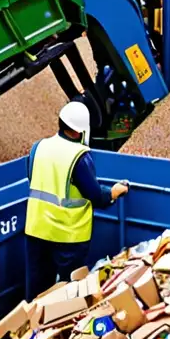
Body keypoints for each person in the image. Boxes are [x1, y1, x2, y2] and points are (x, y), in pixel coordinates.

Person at [24, 101, 128, 295]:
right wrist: (115, 191)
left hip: (37, 229)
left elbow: (35, 179)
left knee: (37, 291)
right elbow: (96, 196)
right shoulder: (79, 156)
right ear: (81, 130)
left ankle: (33, 324)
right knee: (67, 292)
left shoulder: (39, 147)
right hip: (67, 235)